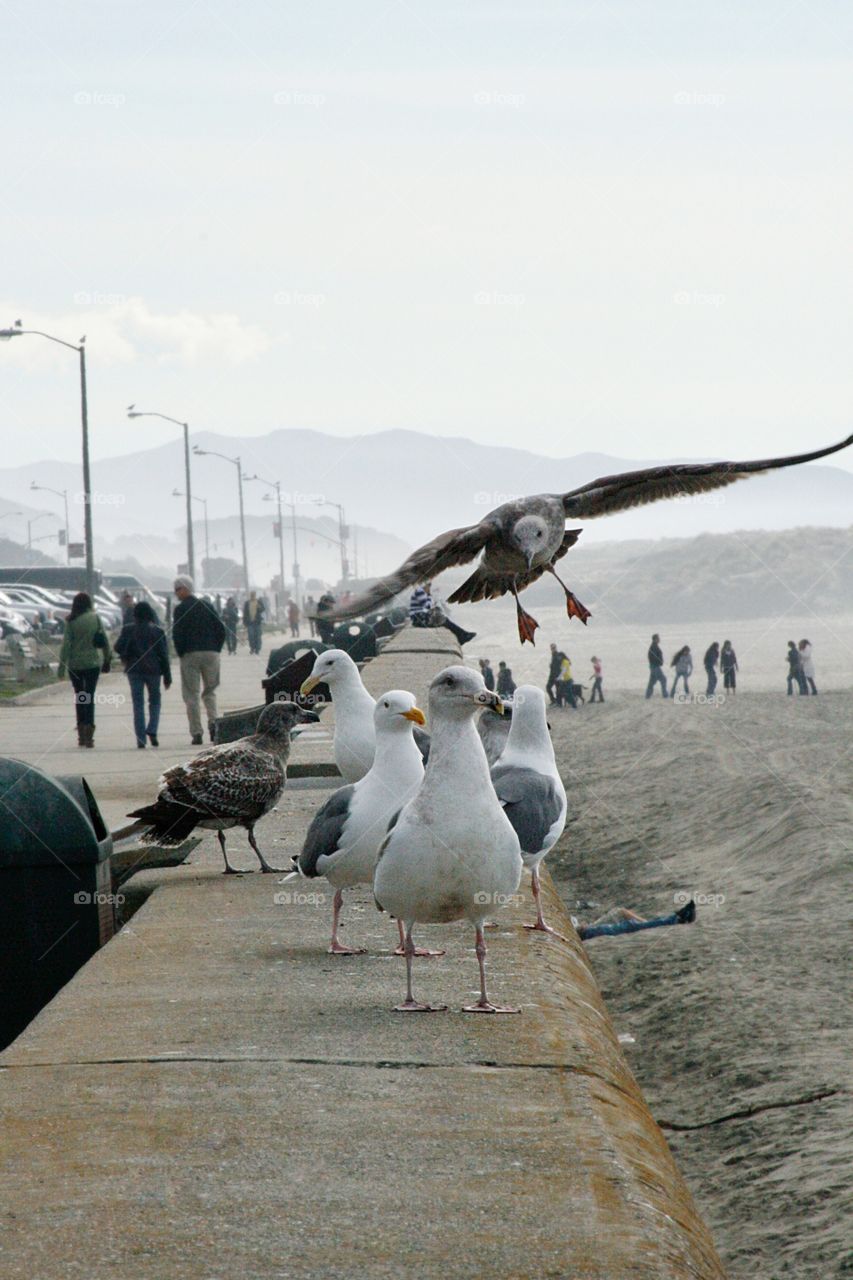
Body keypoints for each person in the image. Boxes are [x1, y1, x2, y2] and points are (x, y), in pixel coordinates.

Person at [171, 575, 226, 745]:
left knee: (191, 695)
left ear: (186, 588)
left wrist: (181, 652)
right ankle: (213, 725)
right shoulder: (207, 605)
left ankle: (196, 732)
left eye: (178, 589)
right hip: (211, 653)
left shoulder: (180, 609)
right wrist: (216, 649)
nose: (176, 593)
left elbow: (177, 634)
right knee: (210, 692)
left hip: (190, 655)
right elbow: (221, 629)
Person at [57, 591, 112, 748]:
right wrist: (108, 658)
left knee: (80, 696)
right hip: (93, 663)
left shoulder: (71, 621)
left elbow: (66, 646)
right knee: (90, 696)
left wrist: (61, 668)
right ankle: (89, 733)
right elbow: (104, 640)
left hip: (75, 665)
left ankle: (81, 733)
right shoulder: (95, 618)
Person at [115, 601, 172, 748]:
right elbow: (164, 655)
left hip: (134, 670)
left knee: (138, 704)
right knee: (155, 701)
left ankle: (141, 739)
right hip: (153, 671)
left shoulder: (128, 630)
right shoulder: (158, 631)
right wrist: (167, 676)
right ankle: (152, 729)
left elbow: (117, 647)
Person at [575, 899, 696, 941]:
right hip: (588, 932)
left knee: (621, 913)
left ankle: (672, 919)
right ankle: (675, 919)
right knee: (630, 925)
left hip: (588, 929)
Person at [408, 582, 476, 646]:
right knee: (443, 620)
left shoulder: (420, 592)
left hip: (418, 618)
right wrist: (429, 595)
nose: (429, 588)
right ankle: (463, 636)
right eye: (429, 586)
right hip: (418, 618)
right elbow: (427, 606)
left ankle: (463, 635)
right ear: (425, 585)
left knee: (443, 619)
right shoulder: (420, 591)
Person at [243, 591, 266, 655]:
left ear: (255, 595)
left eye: (254, 594)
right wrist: (244, 622)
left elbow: (263, 609)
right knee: (251, 636)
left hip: (257, 622)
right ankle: (252, 648)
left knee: (258, 636)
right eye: (252, 594)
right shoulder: (247, 603)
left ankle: (257, 649)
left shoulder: (258, 602)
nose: (253, 596)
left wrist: (259, 607)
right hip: (250, 622)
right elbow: (245, 613)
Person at [646, 634, 667, 699]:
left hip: (654, 666)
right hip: (655, 667)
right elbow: (653, 657)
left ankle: (647, 695)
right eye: (658, 638)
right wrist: (660, 662)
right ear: (655, 639)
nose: (659, 639)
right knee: (663, 679)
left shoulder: (654, 646)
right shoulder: (654, 647)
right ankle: (665, 695)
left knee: (652, 681)